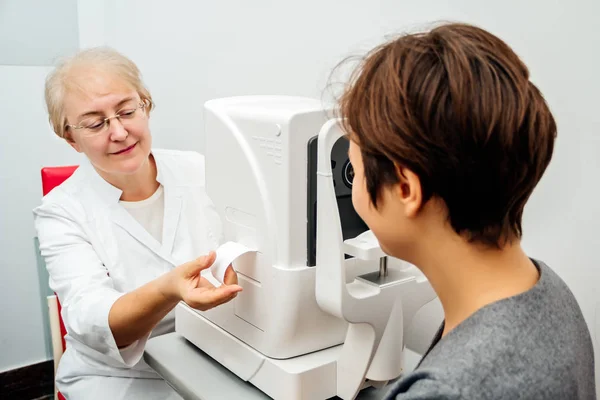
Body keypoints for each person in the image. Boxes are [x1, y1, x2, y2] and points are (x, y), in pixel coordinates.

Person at [337, 22, 596, 399]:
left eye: (355, 172)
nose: (356, 190)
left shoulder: (450, 390)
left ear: (407, 189)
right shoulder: (548, 291)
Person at [33, 47, 242, 399]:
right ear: (71, 139)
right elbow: (91, 317)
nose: (118, 132)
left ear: (146, 106)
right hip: (119, 378)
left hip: (209, 353)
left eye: (127, 111)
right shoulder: (60, 211)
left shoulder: (200, 170)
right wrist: (170, 289)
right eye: (95, 123)